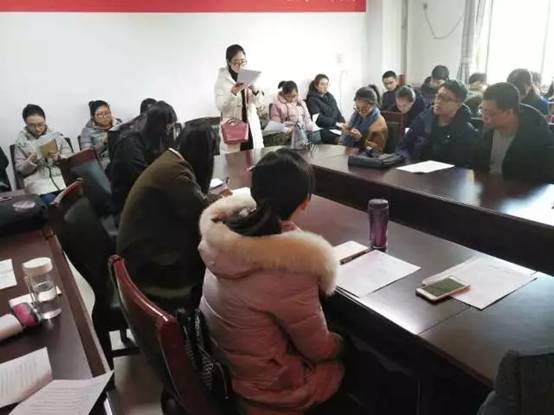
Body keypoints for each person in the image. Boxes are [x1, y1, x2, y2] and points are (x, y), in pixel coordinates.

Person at [199, 148, 343, 414]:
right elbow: (318, 349)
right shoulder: (291, 263)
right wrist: (343, 344)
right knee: (351, 364)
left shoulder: (224, 235)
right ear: (305, 202)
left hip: (223, 371)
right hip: (266, 392)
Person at [117, 122, 217, 313]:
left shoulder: (170, 160)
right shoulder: (174, 173)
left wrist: (215, 199)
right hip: (150, 266)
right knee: (217, 262)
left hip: (140, 254)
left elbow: (195, 201)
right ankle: (208, 318)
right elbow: (202, 213)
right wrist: (228, 202)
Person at [476, 82, 554, 182]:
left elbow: (545, 177)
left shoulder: (537, 136)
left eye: (490, 113)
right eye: (482, 110)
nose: (484, 117)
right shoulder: (487, 131)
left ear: (509, 112)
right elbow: (477, 167)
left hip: (521, 189)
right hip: (487, 187)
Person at [110, 101, 177, 216]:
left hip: (145, 192)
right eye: (168, 126)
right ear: (159, 125)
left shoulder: (152, 135)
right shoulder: (130, 142)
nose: (169, 131)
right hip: (130, 203)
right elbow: (143, 176)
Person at [397, 80, 480, 168]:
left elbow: (464, 165)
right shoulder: (423, 119)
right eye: (438, 96)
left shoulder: (466, 131)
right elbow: (402, 146)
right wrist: (408, 162)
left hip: (447, 175)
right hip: (414, 170)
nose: (438, 101)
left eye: (445, 98)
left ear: (458, 104)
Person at [13, 104, 73, 203]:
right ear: (25, 123)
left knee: (77, 197)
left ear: (45, 121)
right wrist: (32, 159)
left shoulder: (57, 136)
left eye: (40, 124)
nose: (37, 129)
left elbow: (71, 157)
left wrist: (58, 157)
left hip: (61, 179)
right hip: (39, 184)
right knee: (51, 202)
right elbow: (21, 170)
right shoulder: (21, 142)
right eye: (32, 125)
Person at [214, 44, 264, 154]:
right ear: (228, 62)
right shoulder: (222, 81)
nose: (240, 65)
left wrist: (255, 90)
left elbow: (259, 104)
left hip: (251, 127)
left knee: (255, 158)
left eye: (243, 61)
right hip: (233, 129)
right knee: (235, 161)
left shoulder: (249, 76)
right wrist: (233, 93)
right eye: (236, 62)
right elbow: (221, 107)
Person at [269, 81, 318, 146]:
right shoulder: (277, 105)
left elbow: (307, 119)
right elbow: (275, 125)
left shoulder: (301, 103)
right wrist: (287, 130)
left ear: (297, 93)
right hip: (289, 133)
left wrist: (312, 127)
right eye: (288, 96)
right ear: (283, 94)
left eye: (294, 96)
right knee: (301, 138)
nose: (292, 99)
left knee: (317, 135)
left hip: (303, 131)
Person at [341, 87, 388, 152]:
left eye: (364, 108)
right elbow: (344, 141)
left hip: (366, 156)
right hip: (351, 151)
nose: (360, 112)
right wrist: (345, 132)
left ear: (373, 105)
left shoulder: (379, 123)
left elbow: (377, 150)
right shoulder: (356, 115)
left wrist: (361, 140)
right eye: (357, 108)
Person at [80, 100, 122, 169]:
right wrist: (103, 143)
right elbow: (87, 157)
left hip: (123, 157)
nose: (104, 116)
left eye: (107, 113)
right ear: (93, 116)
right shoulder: (87, 131)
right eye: (100, 114)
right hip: (105, 164)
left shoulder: (119, 124)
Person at [306, 74, 346, 144]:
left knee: (350, 134)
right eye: (322, 84)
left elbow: (337, 112)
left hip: (335, 127)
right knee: (341, 140)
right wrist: (336, 123)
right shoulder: (312, 100)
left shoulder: (330, 97)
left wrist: (343, 123)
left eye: (327, 84)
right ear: (316, 86)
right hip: (324, 129)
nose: (325, 87)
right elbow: (318, 119)